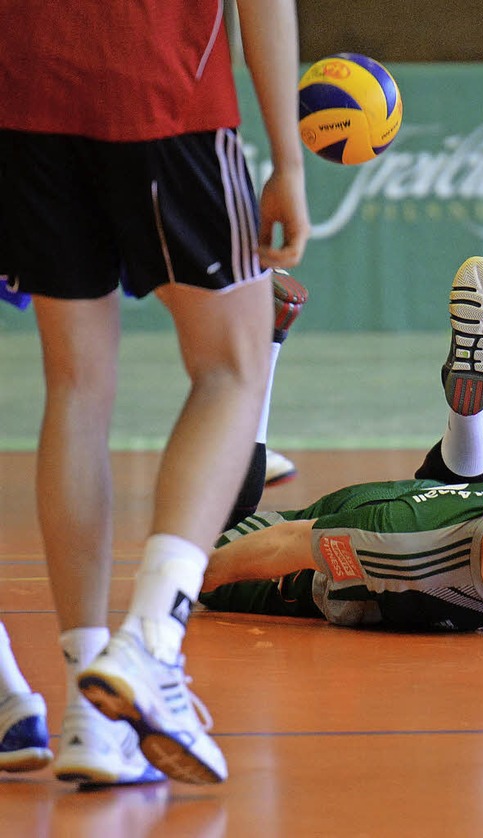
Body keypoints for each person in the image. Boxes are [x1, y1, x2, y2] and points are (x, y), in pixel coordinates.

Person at [0, 0, 309, 786]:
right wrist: (290, 160)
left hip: (27, 85)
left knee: (74, 385)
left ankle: (86, 709)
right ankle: (151, 641)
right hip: (160, 82)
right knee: (233, 367)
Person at [199, 257, 483, 631]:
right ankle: (265, 339)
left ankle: (469, 416)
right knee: (207, 551)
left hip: (447, 509)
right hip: (392, 534)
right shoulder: (397, 543)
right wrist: (187, 578)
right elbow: (288, 543)